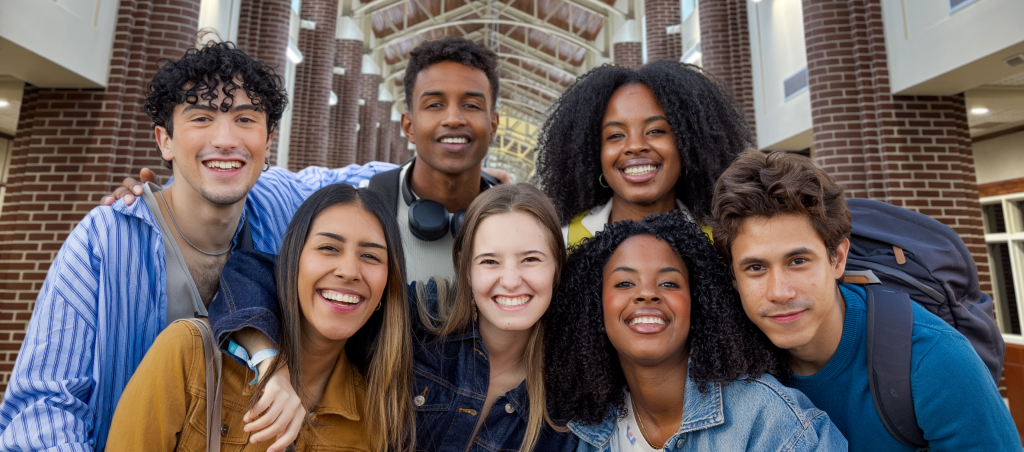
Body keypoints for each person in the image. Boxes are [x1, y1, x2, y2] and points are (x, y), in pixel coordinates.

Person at [0, 41, 391, 452]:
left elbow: (384, 177)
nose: (225, 139)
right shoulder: (105, 241)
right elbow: (43, 406)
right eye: (201, 117)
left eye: (245, 118)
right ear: (164, 141)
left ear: (268, 139)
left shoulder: (282, 207)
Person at [210, 183, 578, 451]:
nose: (511, 280)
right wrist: (268, 358)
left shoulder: (575, 382)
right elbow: (251, 272)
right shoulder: (424, 320)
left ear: (557, 269)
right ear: (465, 270)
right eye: (490, 261)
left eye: (531, 259)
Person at [711, 151, 1022, 451]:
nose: (779, 292)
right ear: (734, 278)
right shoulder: (724, 364)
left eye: (798, 261)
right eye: (755, 268)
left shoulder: (934, 360)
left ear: (838, 259)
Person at [106, 184, 415, 451]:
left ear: (387, 287)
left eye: (371, 256)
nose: (348, 271)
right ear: (291, 264)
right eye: (328, 248)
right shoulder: (188, 355)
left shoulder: (375, 416)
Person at [544, 213, 848, 451]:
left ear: (699, 303)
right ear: (595, 306)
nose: (647, 294)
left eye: (669, 283)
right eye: (624, 283)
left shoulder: (769, 421)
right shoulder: (581, 425)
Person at [534, 61, 751, 248]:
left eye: (656, 131)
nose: (635, 146)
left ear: (688, 145)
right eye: (615, 135)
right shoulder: (560, 243)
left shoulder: (724, 241)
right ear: (592, 154)